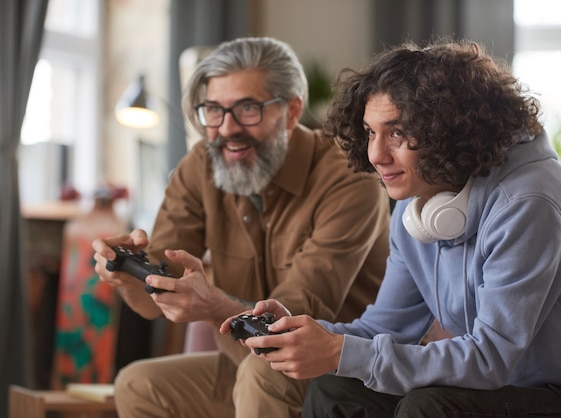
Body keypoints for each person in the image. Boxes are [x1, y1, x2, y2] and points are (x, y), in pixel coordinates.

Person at [220, 39, 561, 417]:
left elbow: (490, 359)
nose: (376, 155)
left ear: (448, 129)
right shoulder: (417, 208)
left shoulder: (530, 201)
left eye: (397, 132)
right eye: (370, 133)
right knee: (333, 390)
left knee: (429, 407)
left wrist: (341, 352)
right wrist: (304, 334)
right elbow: (385, 329)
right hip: (506, 385)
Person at [92, 36, 391, 418]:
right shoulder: (201, 164)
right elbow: (156, 299)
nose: (227, 129)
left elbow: (289, 323)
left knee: (260, 376)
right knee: (140, 384)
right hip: (245, 360)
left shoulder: (349, 176)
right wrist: (126, 271)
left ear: (291, 111)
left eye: (248, 109)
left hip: (332, 368)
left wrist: (214, 306)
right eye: (213, 110)